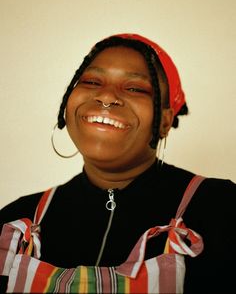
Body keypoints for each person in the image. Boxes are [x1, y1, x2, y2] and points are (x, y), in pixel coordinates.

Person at [0, 33, 235, 293]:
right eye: (91, 81)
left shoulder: (220, 208)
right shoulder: (17, 221)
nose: (107, 96)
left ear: (165, 122)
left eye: (135, 88)